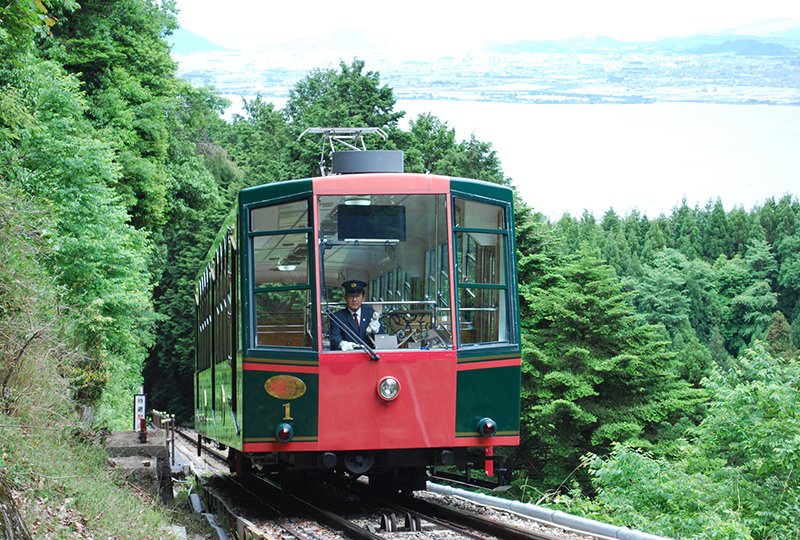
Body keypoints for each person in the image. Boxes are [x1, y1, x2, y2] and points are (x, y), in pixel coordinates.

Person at [330, 279, 380, 351]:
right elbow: (334, 337)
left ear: (363, 298)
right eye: (351, 296)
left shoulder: (371, 314)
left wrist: (376, 331)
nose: (354, 299)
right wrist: (341, 343)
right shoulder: (337, 317)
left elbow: (382, 338)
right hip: (348, 356)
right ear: (345, 298)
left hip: (370, 356)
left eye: (357, 296)